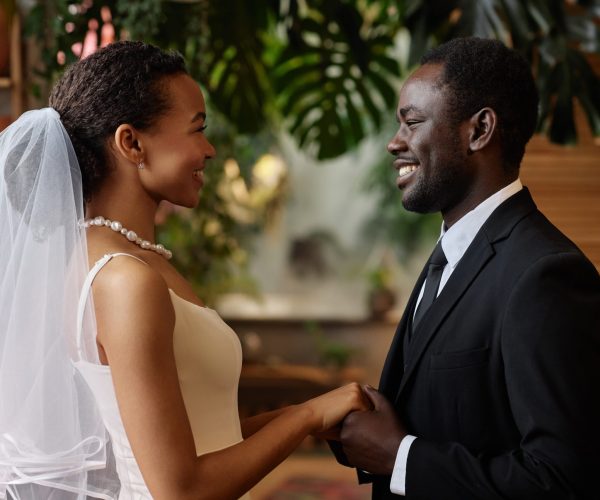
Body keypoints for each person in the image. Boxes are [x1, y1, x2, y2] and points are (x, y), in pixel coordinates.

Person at [0, 41, 368, 500]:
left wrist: (311, 413)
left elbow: (199, 433)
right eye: (197, 129)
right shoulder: (124, 279)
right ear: (131, 142)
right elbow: (182, 490)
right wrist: (307, 417)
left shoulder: (120, 261)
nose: (209, 149)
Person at [335, 37, 600, 499]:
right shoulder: (453, 255)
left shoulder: (545, 276)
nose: (394, 143)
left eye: (412, 122)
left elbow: (563, 480)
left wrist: (401, 458)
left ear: (479, 130)